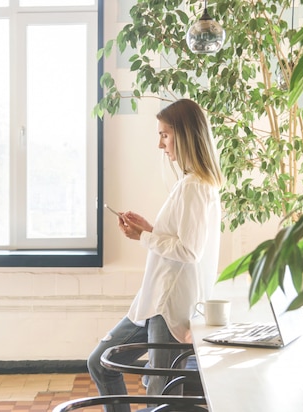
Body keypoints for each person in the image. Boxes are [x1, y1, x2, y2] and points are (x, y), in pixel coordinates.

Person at [87, 98, 223, 411]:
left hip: (168, 306)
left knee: (161, 400)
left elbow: (189, 251)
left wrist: (144, 236)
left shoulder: (195, 186)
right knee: (102, 363)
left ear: (186, 135)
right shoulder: (191, 184)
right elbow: (180, 240)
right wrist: (149, 230)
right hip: (153, 302)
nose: (160, 144)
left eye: (165, 134)